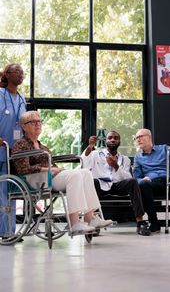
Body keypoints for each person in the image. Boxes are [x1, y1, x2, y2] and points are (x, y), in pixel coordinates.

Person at [12, 111, 113, 235]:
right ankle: (74, 223)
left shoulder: (42, 147)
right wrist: (47, 169)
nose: (38, 124)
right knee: (75, 175)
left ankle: (90, 218)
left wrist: (56, 169)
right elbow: (23, 169)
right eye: (33, 122)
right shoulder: (20, 145)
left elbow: (53, 166)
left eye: (39, 121)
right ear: (24, 126)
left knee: (86, 172)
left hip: (49, 176)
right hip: (34, 179)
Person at [81, 131, 151, 236]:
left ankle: (140, 222)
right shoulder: (95, 154)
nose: (113, 140)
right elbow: (84, 163)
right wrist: (90, 147)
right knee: (93, 181)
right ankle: (92, 220)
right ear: (105, 141)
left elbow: (128, 177)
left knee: (133, 181)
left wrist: (116, 166)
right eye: (110, 138)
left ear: (119, 141)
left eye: (115, 138)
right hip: (100, 185)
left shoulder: (125, 159)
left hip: (117, 185)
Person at [0, 63, 27, 238]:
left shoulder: (22, 99)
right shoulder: (0, 94)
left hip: (15, 152)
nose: (20, 74)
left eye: (22, 72)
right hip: (1, 149)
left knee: (12, 191)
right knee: (2, 192)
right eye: (16, 71)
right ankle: (5, 232)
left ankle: (10, 230)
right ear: (7, 75)